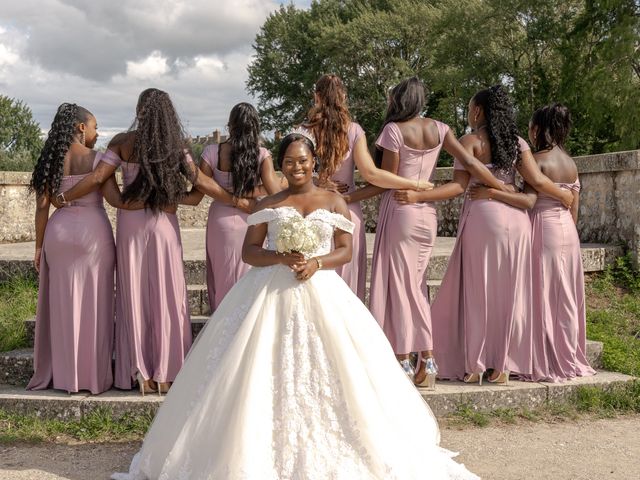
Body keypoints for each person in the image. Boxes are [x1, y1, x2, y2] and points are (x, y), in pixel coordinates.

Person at [111, 130, 479, 480]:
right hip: (269, 289)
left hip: (323, 290)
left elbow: (346, 250)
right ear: (279, 165)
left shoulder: (334, 200)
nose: (296, 168)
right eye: (288, 162)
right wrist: (282, 258)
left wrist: (317, 262)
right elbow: (250, 252)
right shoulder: (269, 203)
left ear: (314, 162)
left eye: (302, 161)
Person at [398, 85, 573, 384]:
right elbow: (537, 183)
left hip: (484, 218)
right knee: (509, 294)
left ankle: (475, 364)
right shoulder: (517, 143)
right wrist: (563, 195)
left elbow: (457, 186)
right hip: (518, 223)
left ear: (478, 111)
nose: (468, 113)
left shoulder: (471, 142)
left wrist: (419, 196)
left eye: (469, 108)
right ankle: (502, 365)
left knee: (478, 292)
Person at [59, 88, 220, 395]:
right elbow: (199, 187)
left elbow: (98, 178)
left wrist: (66, 196)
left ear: (139, 111)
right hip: (163, 223)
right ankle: (168, 371)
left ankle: (138, 372)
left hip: (131, 225)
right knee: (167, 294)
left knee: (133, 294)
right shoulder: (177, 146)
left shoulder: (121, 142)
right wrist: (233, 199)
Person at [368, 77, 517, 387]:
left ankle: (409, 361)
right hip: (427, 217)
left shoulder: (393, 131)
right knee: (417, 285)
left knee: (400, 287)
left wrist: (348, 195)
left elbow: (388, 180)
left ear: (399, 100)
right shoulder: (441, 129)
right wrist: (497, 184)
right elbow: (468, 165)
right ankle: (426, 363)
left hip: (401, 210)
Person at [27, 103, 139, 394]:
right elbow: (116, 200)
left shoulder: (49, 161)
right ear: (81, 128)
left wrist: (39, 247)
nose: (97, 131)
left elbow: (41, 208)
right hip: (93, 235)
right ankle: (91, 377)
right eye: (94, 126)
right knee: (96, 304)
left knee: (62, 306)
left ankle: (64, 376)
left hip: (58, 234)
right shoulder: (98, 159)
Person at [306, 74, 438, 300]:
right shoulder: (354, 130)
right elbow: (372, 174)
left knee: (313, 289)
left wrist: (316, 180)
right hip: (346, 214)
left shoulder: (303, 130)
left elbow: (292, 173)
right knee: (346, 293)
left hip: (312, 211)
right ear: (344, 97)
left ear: (316, 97)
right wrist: (414, 183)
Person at [182, 102, 281, 311]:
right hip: (252, 220)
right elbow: (276, 193)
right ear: (255, 126)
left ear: (230, 125)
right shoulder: (262, 154)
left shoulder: (212, 152)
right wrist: (251, 192)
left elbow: (198, 193)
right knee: (249, 278)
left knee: (222, 276)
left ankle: (221, 329)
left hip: (220, 221)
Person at [526, 104, 596, 381]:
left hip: (544, 227)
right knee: (565, 295)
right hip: (568, 230)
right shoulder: (570, 163)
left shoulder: (536, 160)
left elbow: (528, 200)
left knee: (542, 291)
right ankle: (568, 353)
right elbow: (574, 209)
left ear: (538, 129)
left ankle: (544, 355)